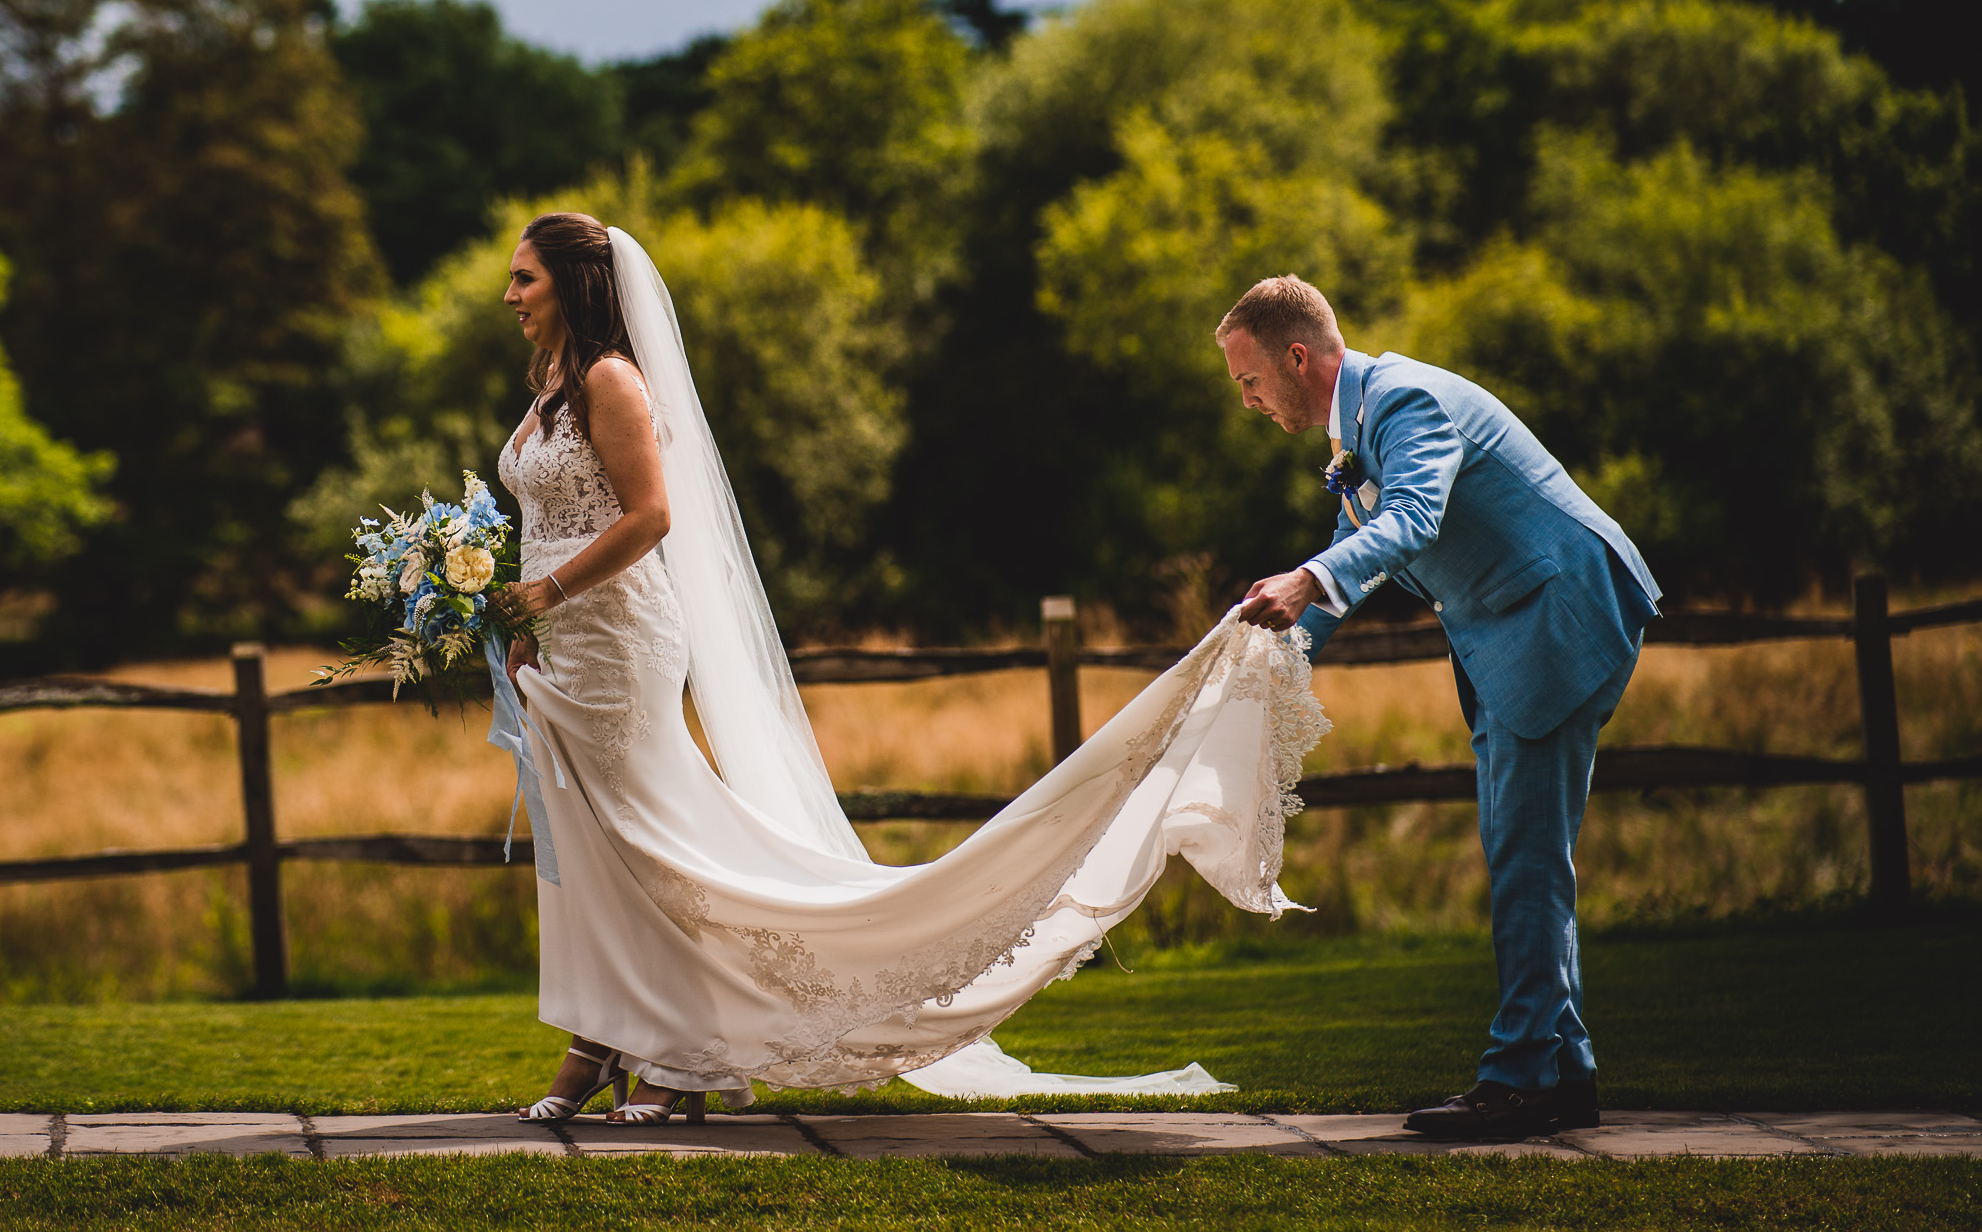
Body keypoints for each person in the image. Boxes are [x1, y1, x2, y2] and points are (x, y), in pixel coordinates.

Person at [486, 213, 1331, 1124]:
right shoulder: (548, 393)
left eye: (525, 278)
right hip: (563, 646)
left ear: (574, 284)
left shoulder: (612, 379)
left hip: (618, 643)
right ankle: (603, 1038)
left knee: (657, 852)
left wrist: (551, 592)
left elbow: (650, 515)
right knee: (591, 850)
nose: (510, 296)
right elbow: (552, 519)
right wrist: (530, 620)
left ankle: (679, 1058)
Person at [1219, 274, 1659, 1141]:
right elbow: (1360, 550)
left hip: (1558, 617)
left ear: (1296, 357)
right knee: (1523, 853)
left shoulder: (1404, 401)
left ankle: (1519, 1079)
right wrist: (1262, 651)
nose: (1249, 401)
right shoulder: (1362, 428)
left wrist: (1309, 579)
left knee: (1526, 857)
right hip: (1516, 635)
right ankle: (1564, 1074)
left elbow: (1413, 518)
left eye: (1249, 380)